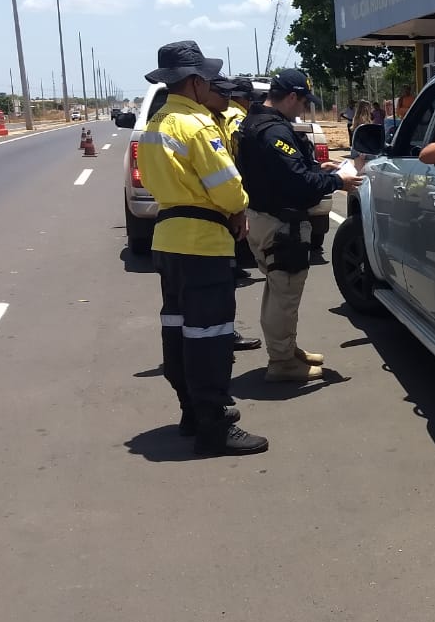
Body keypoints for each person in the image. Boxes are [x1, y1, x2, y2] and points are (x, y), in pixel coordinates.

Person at [137, 41, 267, 456]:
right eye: (207, 79)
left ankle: (191, 412)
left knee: (178, 329)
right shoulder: (197, 125)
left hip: (168, 238)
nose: (211, 85)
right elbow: (227, 186)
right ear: (193, 82)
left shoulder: (157, 123)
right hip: (203, 241)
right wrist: (239, 210)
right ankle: (214, 423)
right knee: (211, 334)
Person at [235, 69, 363, 383]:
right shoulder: (273, 131)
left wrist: (319, 167)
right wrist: (338, 181)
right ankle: (281, 362)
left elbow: (283, 171)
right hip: (278, 223)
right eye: (303, 102)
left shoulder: (256, 122)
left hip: (266, 216)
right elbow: (298, 184)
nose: (304, 109)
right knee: (285, 293)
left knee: (278, 290)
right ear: (291, 97)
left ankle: (286, 350)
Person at [208, 77, 262, 352]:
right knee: (220, 283)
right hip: (223, 206)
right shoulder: (235, 119)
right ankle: (223, 338)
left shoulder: (207, 117)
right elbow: (236, 162)